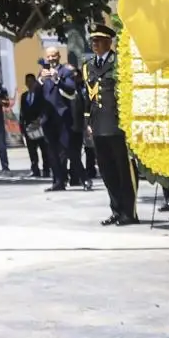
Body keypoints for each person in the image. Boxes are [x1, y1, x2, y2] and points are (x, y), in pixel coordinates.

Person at [84, 23, 139, 224]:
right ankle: (116, 209)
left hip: (118, 124)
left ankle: (129, 212)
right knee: (107, 171)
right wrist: (88, 122)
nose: (95, 44)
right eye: (93, 41)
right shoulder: (88, 66)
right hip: (98, 124)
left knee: (124, 170)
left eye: (98, 40)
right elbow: (87, 97)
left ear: (109, 42)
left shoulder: (119, 63)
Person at [37, 46, 79, 191]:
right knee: (51, 151)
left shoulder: (65, 71)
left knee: (66, 150)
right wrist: (41, 80)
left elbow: (71, 88)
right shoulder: (43, 73)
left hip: (62, 116)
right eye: (48, 56)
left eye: (53, 56)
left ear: (59, 56)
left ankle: (82, 177)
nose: (51, 59)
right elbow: (37, 92)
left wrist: (57, 79)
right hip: (47, 117)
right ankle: (58, 181)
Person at [20, 73, 50, 179]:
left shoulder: (41, 95)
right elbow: (22, 113)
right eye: (27, 82)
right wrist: (22, 127)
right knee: (32, 151)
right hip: (28, 127)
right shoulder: (24, 96)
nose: (29, 84)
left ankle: (46, 170)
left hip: (39, 125)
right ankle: (35, 170)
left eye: (31, 81)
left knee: (44, 149)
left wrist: (40, 121)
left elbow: (44, 108)